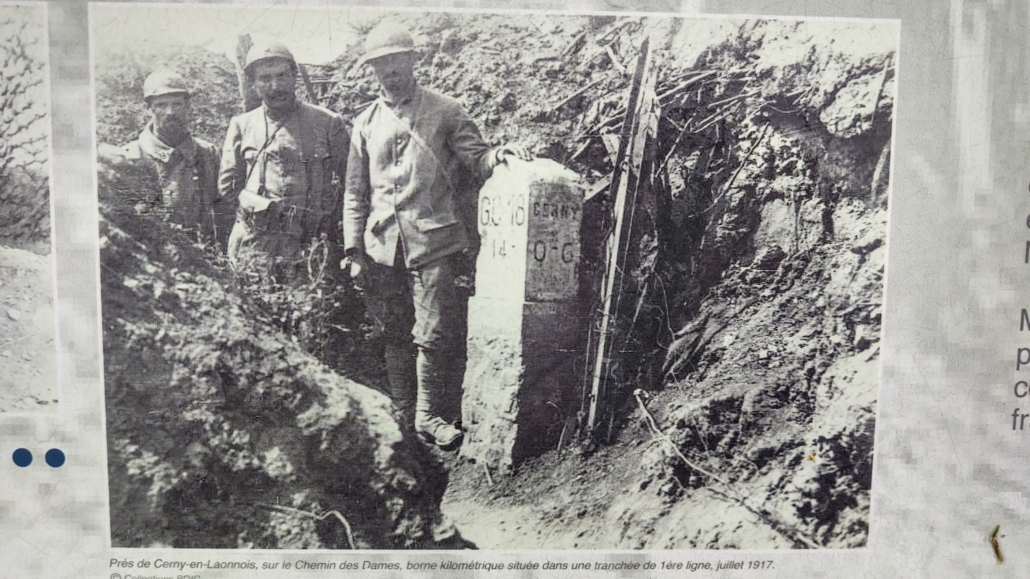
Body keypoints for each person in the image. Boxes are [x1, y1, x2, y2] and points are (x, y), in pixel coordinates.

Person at [342, 22, 532, 449]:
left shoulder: (445, 110)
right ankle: (403, 415)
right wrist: (354, 248)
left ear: (412, 60)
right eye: (380, 64)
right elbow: (355, 192)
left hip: (433, 239)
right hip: (381, 244)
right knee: (393, 330)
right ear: (371, 70)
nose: (390, 71)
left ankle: (429, 414)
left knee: (435, 329)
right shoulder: (365, 123)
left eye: (396, 61)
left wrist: (500, 154)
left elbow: (476, 157)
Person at [219, 40, 349, 280]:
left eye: (282, 76)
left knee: (312, 312)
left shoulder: (327, 123)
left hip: (309, 245)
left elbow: (350, 183)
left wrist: (326, 218)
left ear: (295, 77)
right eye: (265, 78)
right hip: (256, 246)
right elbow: (228, 187)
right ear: (253, 83)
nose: (275, 86)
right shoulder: (241, 125)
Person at [98, 69, 228, 244]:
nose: (170, 112)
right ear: (149, 109)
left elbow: (223, 209)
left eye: (177, 104)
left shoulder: (207, 153)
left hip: (206, 255)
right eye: (161, 105)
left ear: (188, 106)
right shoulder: (130, 157)